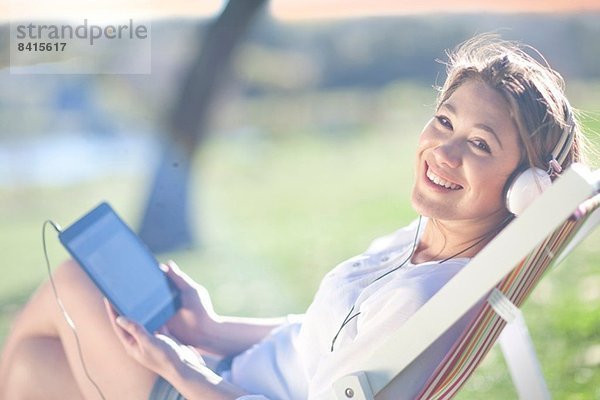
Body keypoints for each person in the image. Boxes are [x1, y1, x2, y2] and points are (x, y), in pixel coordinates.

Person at [0, 34, 588, 400]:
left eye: (480, 144)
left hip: (208, 391)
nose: (445, 150)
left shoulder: (421, 300)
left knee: (75, 281)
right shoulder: (423, 246)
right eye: (444, 121)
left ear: (524, 191)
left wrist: (178, 367)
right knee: (31, 371)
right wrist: (210, 328)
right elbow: (321, 345)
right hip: (225, 368)